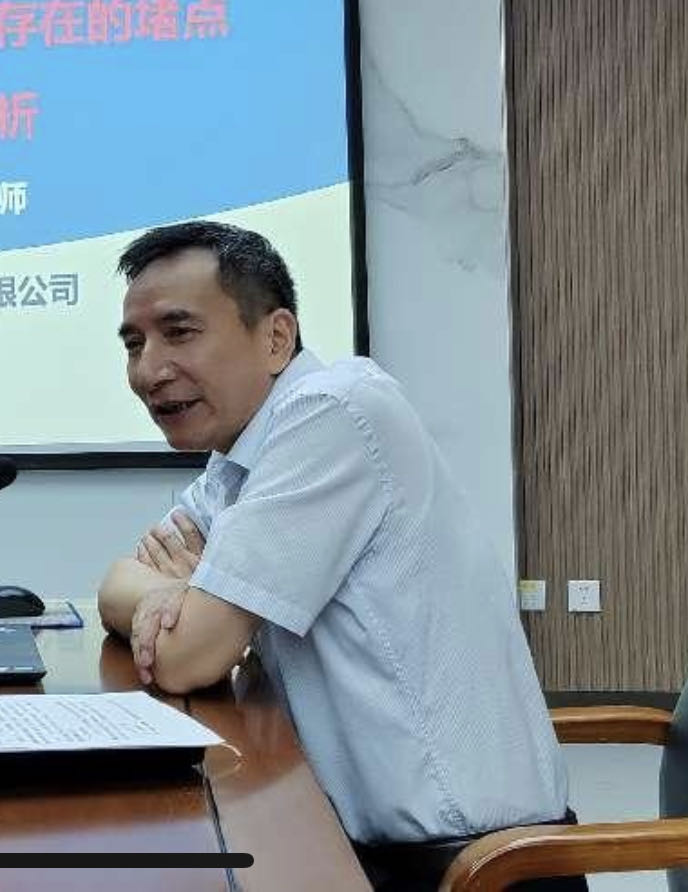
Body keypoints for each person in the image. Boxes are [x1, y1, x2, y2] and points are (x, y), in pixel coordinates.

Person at [97, 220, 584, 891]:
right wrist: (165, 594)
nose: (148, 370)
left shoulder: (334, 413)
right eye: (134, 344)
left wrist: (196, 599)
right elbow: (116, 582)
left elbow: (190, 656)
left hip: (471, 867)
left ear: (276, 337)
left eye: (179, 332)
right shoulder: (242, 455)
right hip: (358, 840)